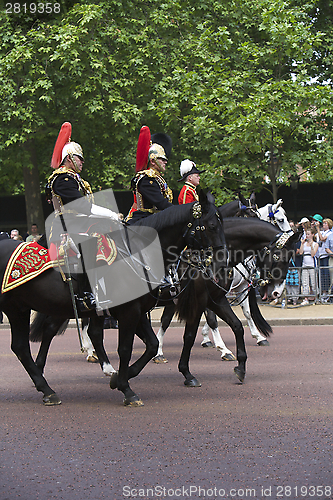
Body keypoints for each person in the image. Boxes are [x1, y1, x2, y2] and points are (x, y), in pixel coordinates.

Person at [46, 122, 119, 311]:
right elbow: (82, 206)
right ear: (69, 158)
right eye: (79, 158)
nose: (82, 162)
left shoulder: (77, 179)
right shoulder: (62, 178)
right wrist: (111, 214)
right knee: (92, 243)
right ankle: (86, 293)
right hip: (67, 226)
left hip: (80, 223)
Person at [125, 127, 173, 224]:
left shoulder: (157, 178)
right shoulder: (147, 178)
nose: (165, 162)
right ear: (153, 161)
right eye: (162, 159)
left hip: (155, 218)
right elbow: (160, 203)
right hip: (143, 220)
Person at [313, 217, 332, 302]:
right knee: (319, 275)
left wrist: (317, 228)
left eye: (325, 223)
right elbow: (313, 236)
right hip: (318, 256)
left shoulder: (329, 233)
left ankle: (326, 292)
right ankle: (320, 292)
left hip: (325, 256)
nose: (323, 225)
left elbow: (322, 239)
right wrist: (314, 227)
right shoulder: (320, 232)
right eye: (323, 223)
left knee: (326, 275)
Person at [298, 228, 319, 305]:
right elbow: (300, 252)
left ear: (312, 235)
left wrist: (311, 246)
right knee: (305, 282)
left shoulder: (315, 244)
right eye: (306, 234)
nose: (307, 236)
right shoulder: (304, 243)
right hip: (305, 264)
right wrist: (302, 244)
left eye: (308, 234)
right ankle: (305, 298)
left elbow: (313, 254)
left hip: (312, 264)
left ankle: (316, 297)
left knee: (313, 282)